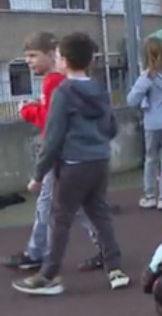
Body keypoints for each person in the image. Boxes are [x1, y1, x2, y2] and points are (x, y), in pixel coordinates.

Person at [12, 32, 130, 296]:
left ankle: (49, 275)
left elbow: (53, 137)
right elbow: (111, 126)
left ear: (63, 60)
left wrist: (38, 174)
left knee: (60, 219)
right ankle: (114, 268)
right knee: (100, 215)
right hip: (99, 160)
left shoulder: (63, 91)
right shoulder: (98, 87)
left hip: (73, 164)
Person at [2, 31, 102, 274]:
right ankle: (38, 253)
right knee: (56, 205)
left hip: (60, 156)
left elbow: (51, 123)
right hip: (66, 155)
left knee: (61, 206)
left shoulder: (54, 82)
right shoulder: (57, 82)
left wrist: (27, 112)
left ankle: (41, 256)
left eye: (33, 55)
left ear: (51, 54)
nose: (29, 61)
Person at [127, 37, 162, 211]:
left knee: (151, 159)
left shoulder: (148, 76)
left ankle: (149, 196)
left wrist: (144, 100)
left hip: (153, 122)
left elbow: (131, 100)